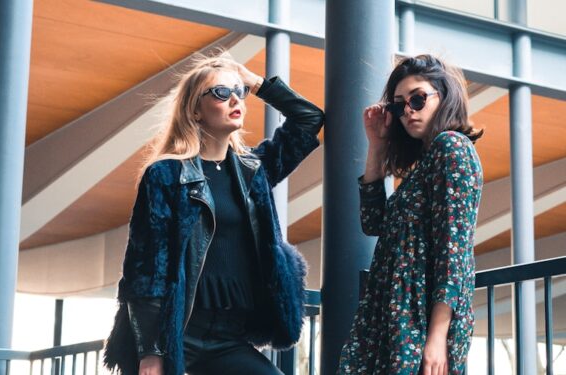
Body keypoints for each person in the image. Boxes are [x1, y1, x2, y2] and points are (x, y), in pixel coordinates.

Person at [103, 53, 324, 375]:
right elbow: (146, 266)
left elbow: (308, 120)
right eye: (221, 93)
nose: (235, 99)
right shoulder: (166, 174)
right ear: (195, 110)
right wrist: (150, 351)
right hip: (176, 334)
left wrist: (257, 83)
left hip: (229, 337)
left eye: (239, 92)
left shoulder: (252, 171)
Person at [337, 54, 484, 375]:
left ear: (444, 96)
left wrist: (437, 337)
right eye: (398, 104)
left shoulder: (452, 148)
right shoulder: (423, 165)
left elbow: (454, 251)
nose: (408, 111)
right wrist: (376, 145)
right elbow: (373, 222)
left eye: (418, 99)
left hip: (419, 317)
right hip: (390, 311)